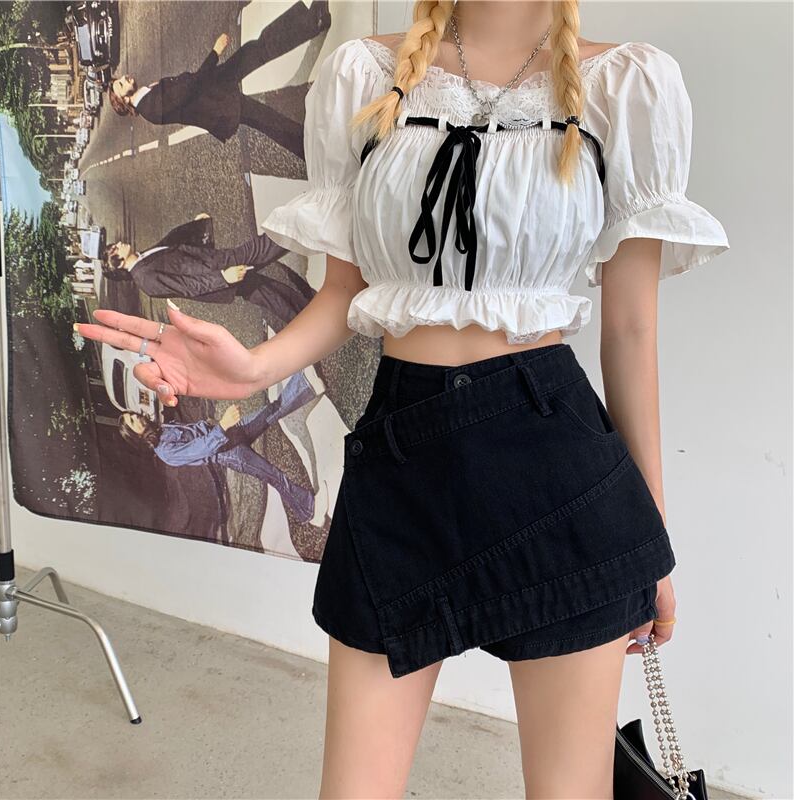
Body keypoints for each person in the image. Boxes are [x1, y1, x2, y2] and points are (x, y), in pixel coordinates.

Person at [75, 1, 730, 796]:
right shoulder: (364, 75)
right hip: (400, 455)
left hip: (556, 467)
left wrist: (651, 536)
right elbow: (343, 293)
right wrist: (252, 368)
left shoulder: (626, 84)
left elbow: (630, 330)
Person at [107, 0, 331, 154]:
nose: (125, 78)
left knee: (255, 49)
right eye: (121, 84)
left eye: (120, 79)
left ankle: (312, 21)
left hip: (216, 85)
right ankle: (319, 153)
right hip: (220, 106)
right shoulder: (150, 107)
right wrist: (215, 52)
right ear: (124, 101)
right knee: (271, 122)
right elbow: (191, 87)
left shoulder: (147, 96)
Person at [118, 370, 317, 524]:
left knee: (270, 411)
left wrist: (214, 424)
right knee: (273, 475)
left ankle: (304, 384)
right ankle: (306, 509)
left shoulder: (161, 429)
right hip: (229, 452)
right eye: (132, 421)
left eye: (132, 414)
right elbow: (201, 448)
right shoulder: (165, 452)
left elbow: (195, 432)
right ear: (135, 436)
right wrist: (222, 425)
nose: (136, 416)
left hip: (230, 433)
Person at [102, 215, 314, 329]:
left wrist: (198, 227)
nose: (119, 244)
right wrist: (224, 278)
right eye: (115, 249)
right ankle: (309, 220)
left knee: (267, 293)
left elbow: (172, 246)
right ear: (118, 264)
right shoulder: (146, 280)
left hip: (214, 264)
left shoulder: (141, 259)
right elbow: (189, 287)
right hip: (218, 271)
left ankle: (308, 319)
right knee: (263, 247)